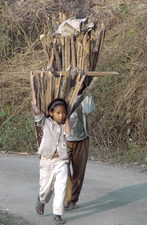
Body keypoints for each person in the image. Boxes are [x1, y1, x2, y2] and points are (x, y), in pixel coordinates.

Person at [31, 98, 71, 225]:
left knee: (61, 187)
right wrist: (33, 105)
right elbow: (38, 113)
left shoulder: (65, 125)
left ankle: (57, 214)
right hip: (47, 161)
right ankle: (42, 200)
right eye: (58, 113)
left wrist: (68, 117)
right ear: (51, 113)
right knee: (46, 189)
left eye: (63, 112)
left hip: (62, 161)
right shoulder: (46, 123)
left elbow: (69, 133)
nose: (61, 115)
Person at [64, 82, 95, 210]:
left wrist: (86, 94)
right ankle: (66, 198)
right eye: (76, 82)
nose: (78, 84)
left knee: (79, 172)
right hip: (64, 140)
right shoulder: (63, 95)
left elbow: (88, 111)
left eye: (81, 82)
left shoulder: (86, 96)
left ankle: (72, 200)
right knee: (63, 170)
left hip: (81, 138)